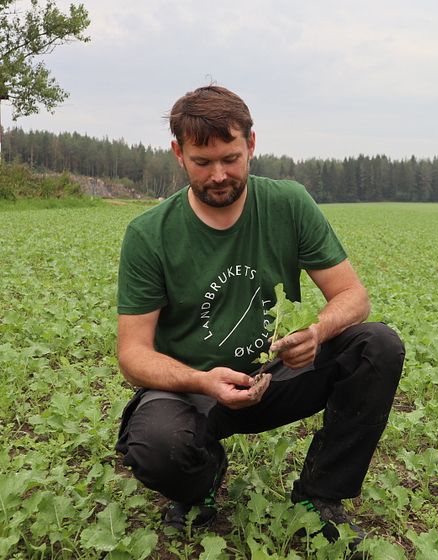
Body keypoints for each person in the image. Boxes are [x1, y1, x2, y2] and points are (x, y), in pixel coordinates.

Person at [114, 85, 405, 549]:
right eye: (202, 162)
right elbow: (132, 354)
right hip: (193, 390)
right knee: (155, 446)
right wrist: (203, 381)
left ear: (251, 144)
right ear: (178, 154)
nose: (218, 175)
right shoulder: (150, 235)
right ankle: (202, 479)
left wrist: (317, 330)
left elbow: (352, 295)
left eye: (230, 157)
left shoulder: (287, 204)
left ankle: (320, 494)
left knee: (377, 345)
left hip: (275, 376)